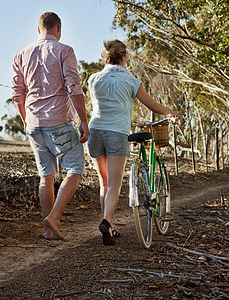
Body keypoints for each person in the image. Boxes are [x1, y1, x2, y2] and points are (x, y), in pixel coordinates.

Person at [87, 39, 181, 245]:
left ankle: (109, 229)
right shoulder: (131, 81)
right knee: (114, 184)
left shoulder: (94, 79)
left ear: (106, 57)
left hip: (95, 132)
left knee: (104, 183)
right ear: (123, 58)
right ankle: (106, 220)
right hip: (116, 133)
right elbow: (152, 105)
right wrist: (172, 113)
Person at [11, 12, 90, 240]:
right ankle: (54, 217)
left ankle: (49, 232)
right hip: (59, 121)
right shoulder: (64, 51)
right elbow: (74, 87)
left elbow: (18, 94)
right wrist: (83, 120)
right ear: (58, 29)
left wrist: (26, 120)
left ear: (39, 30)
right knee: (76, 169)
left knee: (46, 176)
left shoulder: (21, 55)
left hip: (34, 123)